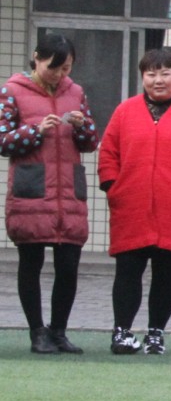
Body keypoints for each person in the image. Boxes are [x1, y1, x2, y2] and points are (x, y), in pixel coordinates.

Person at [99, 48, 171, 354]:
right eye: (151, 74)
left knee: (166, 272)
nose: (158, 80)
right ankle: (121, 332)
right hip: (130, 203)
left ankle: (155, 334)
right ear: (142, 77)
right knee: (127, 270)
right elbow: (108, 152)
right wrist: (112, 185)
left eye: (165, 73)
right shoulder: (125, 111)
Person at [3, 33, 99, 353]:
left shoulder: (77, 92)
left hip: (69, 193)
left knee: (68, 266)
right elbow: (3, 141)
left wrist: (83, 125)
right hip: (32, 191)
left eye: (66, 68)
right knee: (30, 264)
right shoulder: (12, 90)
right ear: (36, 58)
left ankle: (59, 331)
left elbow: (90, 142)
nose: (59, 75)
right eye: (53, 67)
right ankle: (37, 332)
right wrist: (35, 131)